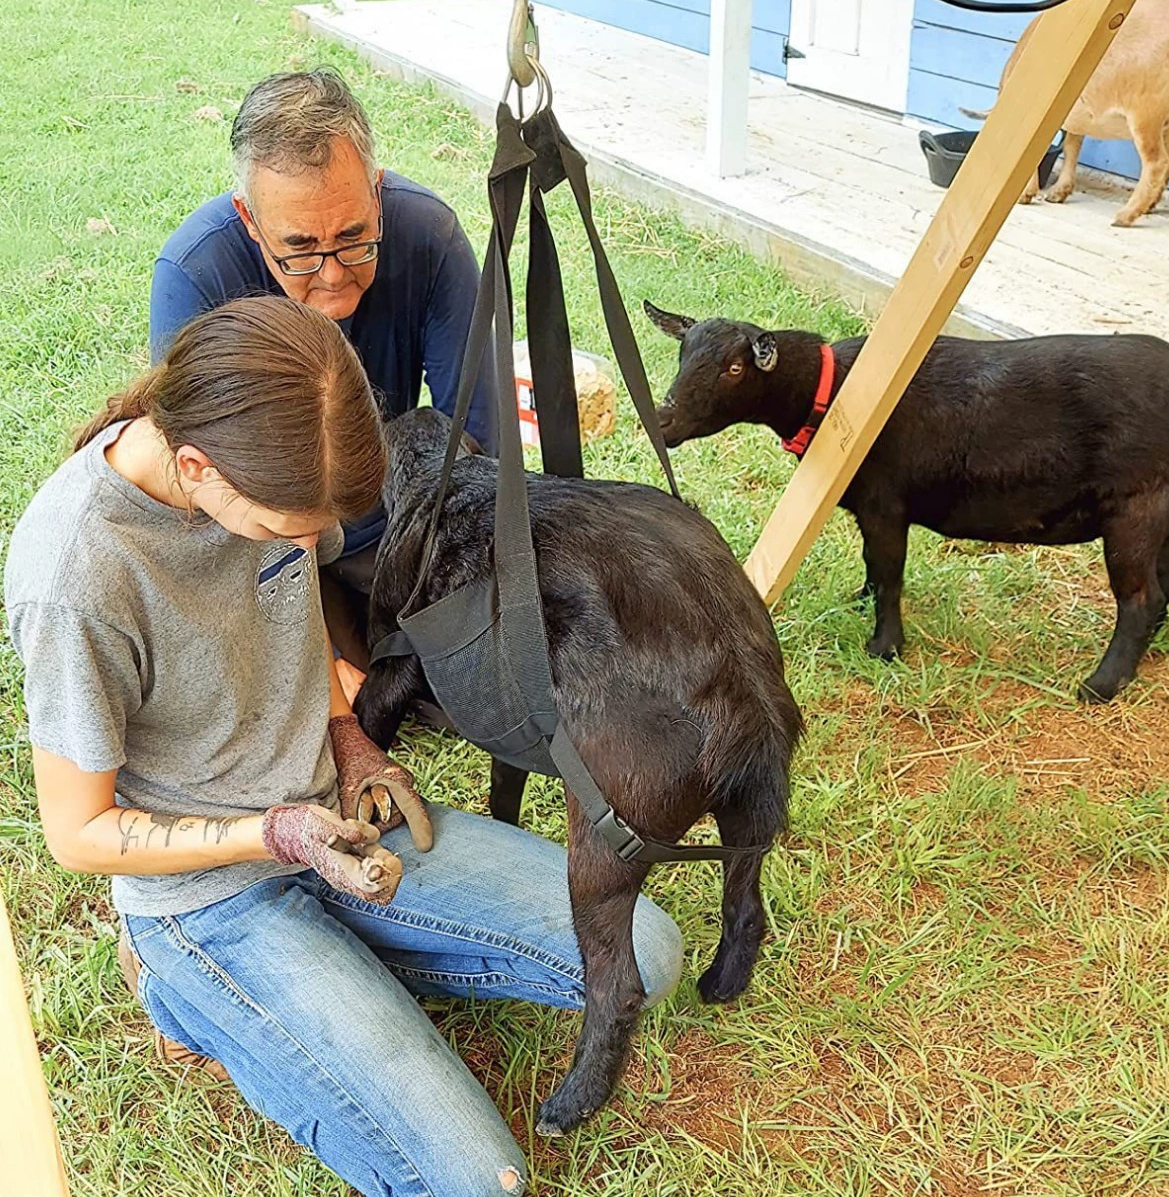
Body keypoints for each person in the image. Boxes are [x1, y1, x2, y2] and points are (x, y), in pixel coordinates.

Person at [5, 296, 682, 1197]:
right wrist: (277, 835)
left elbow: (291, 624)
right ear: (197, 466)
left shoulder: (285, 467)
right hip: (211, 900)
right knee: (481, 1183)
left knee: (648, 949)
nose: (304, 541)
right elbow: (77, 832)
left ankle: (341, 956)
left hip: (340, 819)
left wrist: (349, 740)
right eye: (285, 529)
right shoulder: (75, 576)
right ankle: (185, 986)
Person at [149, 68, 497, 688]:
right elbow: (194, 486)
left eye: (355, 238)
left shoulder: (430, 238)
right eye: (300, 250)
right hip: (260, 543)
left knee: (477, 683)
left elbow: (478, 436)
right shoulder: (195, 274)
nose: (333, 278)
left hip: (393, 530)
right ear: (250, 222)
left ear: (377, 191)